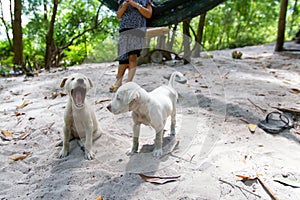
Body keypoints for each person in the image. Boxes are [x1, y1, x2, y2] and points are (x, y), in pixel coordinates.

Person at [109, 0, 153, 92]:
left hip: (138, 29)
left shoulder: (146, 1)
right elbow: (118, 16)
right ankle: (118, 82)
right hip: (124, 29)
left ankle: (128, 83)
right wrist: (124, 7)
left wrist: (136, 5)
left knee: (132, 56)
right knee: (123, 58)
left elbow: (148, 14)